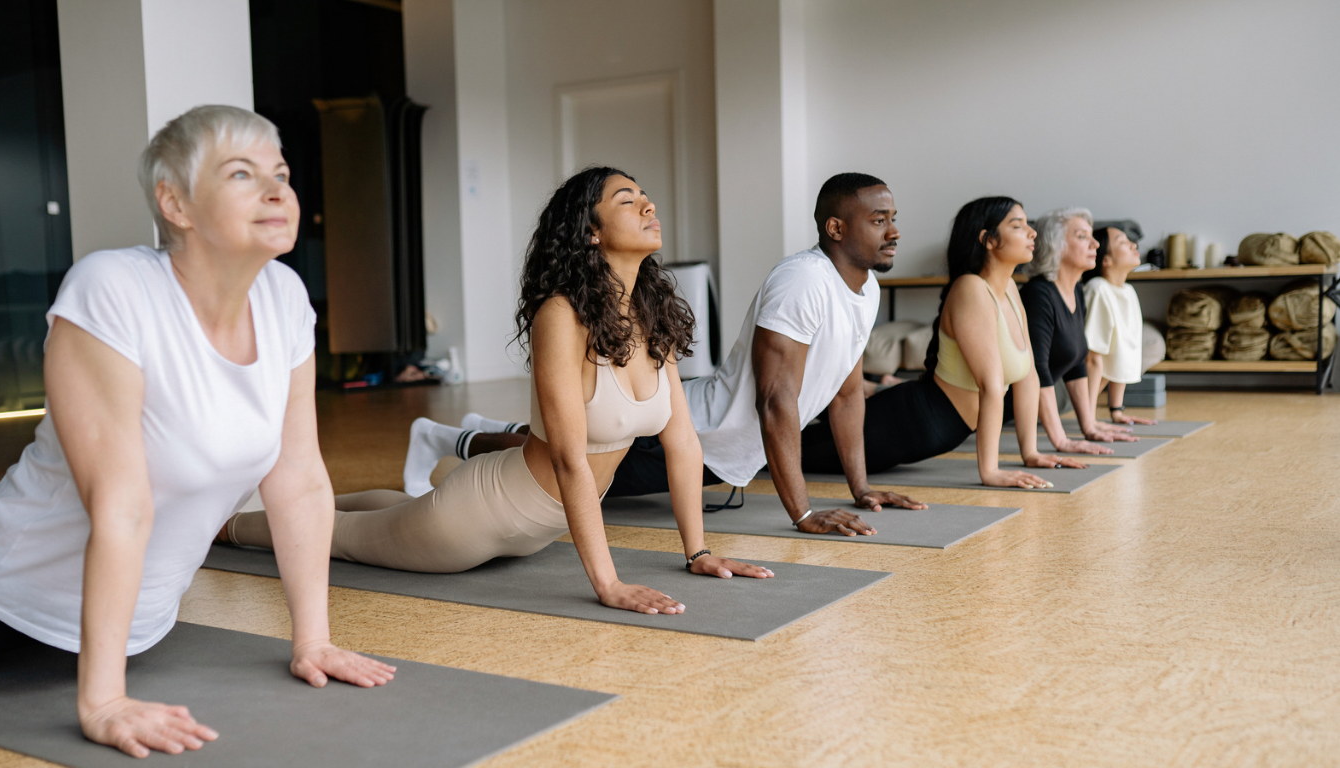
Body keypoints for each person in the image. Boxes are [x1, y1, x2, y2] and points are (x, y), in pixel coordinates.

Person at [0, 106, 394, 758]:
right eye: (241, 173)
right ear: (176, 202)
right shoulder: (113, 290)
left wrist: (312, 641)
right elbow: (121, 502)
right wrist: (104, 702)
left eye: (280, 172)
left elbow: (300, 479)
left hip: (133, 632)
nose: (277, 188)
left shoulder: (284, 299)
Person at [221, 167, 773, 614]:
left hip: (532, 532)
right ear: (591, 231)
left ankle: (279, 501)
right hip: (475, 520)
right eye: (628, 200)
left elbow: (684, 445)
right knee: (333, 536)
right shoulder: (561, 315)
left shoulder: (649, 316)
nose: (649, 206)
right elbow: (568, 458)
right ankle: (222, 526)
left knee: (386, 513)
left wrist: (697, 552)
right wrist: (608, 584)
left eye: (646, 196)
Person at [401, 173, 927, 537]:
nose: (895, 230)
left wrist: (862, 490)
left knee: (572, 454)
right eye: (879, 219)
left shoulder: (865, 291)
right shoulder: (802, 282)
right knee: (555, 466)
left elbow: (847, 390)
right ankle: (447, 438)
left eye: (894, 218)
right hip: (683, 432)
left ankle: (467, 430)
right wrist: (803, 512)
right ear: (836, 228)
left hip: (718, 451)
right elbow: (775, 401)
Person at [801, 197, 1087, 488]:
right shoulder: (971, 288)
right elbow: (990, 384)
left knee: (800, 434)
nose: (1032, 232)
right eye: (1017, 225)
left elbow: (1028, 376)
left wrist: (1031, 452)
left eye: (1028, 224)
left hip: (932, 429)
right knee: (783, 450)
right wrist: (991, 472)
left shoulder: (1011, 289)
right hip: (906, 424)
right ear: (987, 240)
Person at [1019, 208, 1138, 453]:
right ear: (1056, 246)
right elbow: (1036, 369)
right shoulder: (1038, 295)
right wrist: (1061, 441)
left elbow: (1076, 363)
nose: (1095, 243)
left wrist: (1089, 425)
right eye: (1083, 236)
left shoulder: (1075, 291)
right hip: (1001, 412)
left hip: (1034, 407)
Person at [1082, 228, 1157, 425]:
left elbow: (1123, 353)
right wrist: (1088, 421)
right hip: (1066, 392)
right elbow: (1091, 359)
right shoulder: (1097, 289)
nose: (1134, 245)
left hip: (1088, 392)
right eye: (1123, 242)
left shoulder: (1128, 291)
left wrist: (1116, 411)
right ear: (1105, 260)